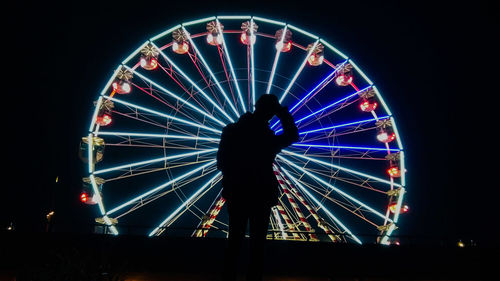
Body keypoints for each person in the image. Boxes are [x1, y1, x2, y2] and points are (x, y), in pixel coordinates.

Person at [217, 94, 299, 281]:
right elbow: (292, 135)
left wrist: (231, 179)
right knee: (257, 243)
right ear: (270, 112)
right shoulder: (265, 137)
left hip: (236, 191)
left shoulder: (231, 130)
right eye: (271, 112)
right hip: (261, 192)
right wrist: (283, 114)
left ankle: (228, 277)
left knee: (234, 239)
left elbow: (221, 161)